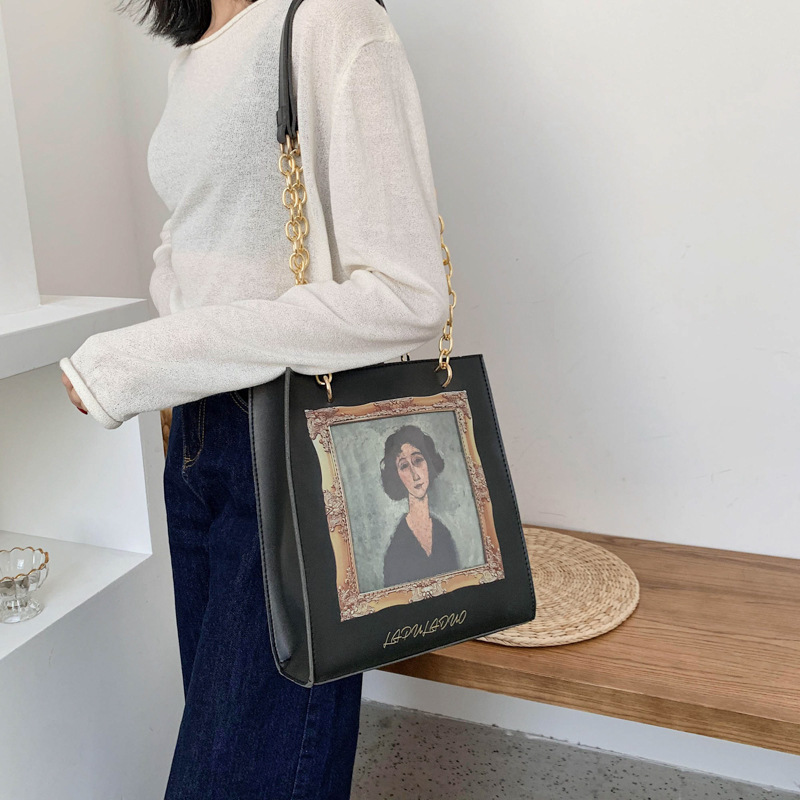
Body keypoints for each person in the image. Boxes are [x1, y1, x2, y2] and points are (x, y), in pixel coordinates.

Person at [59, 0, 450, 796]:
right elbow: (196, 236)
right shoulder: (196, 51)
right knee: (256, 759)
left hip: (292, 443)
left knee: (240, 775)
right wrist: (175, 349)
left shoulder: (332, 21)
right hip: (196, 435)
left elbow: (407, 294)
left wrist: (139, 360)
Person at [380, 424, 460, 588]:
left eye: (417, 461)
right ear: (396, 476)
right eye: (404, 466)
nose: (415, 474)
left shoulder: (443, 533)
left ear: (428, 463)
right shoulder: (396, 549)